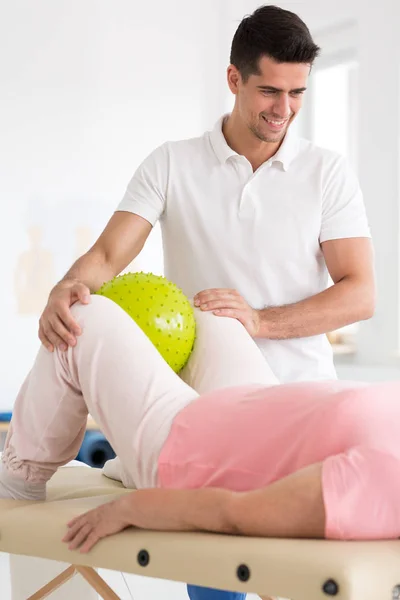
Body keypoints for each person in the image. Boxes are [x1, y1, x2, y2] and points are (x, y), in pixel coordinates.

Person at [35, 5, 375, 600]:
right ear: (234, 79)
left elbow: (360, 292)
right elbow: (109, 255)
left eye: (298, 93)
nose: (284, 109)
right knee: (215, 586)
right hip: (204, 421)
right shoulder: (172, 163)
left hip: (303, 419)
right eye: (270, 89)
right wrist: (67, 286)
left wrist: (261, 321)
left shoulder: (328, 173)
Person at [2, 297, 399, 600]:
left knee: (82, 320)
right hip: (246, 404)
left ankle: (18, 477)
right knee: (211, 313)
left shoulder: (382, 482)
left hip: (183, 448)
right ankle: (127, 456)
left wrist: (130, 508)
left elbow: (234, 514)